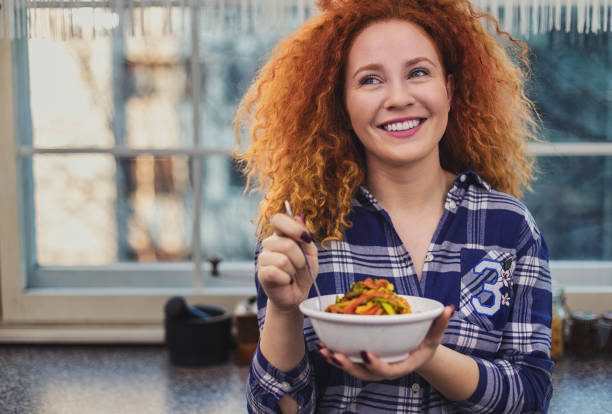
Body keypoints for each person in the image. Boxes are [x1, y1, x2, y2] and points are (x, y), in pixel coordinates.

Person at [234, 0, 553, 412]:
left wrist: (426, 356)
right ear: (342, 105)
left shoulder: (511, 228)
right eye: (370, 80)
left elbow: (531, 396)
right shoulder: (301, 239)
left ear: (450, 90)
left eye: (418, 72)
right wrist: (283, 310)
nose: (399, 97)